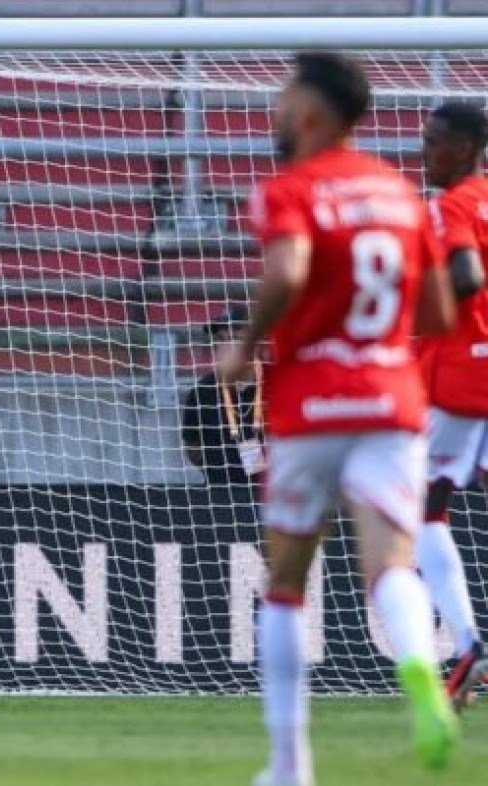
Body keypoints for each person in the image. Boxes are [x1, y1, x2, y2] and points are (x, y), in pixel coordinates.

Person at [217, 52, 458, 786]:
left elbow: (288, 271)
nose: (277, 110)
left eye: (286, 97)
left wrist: (246, 347)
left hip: (311, 402)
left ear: (314, 112)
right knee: (390, 565)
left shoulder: (291, 190)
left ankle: (290, 766)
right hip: (391, 401)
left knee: (286, 583)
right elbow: (439, 311)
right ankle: (422, 669)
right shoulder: (400, 194)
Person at [418, 101, 488, 709]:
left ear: (465, 149)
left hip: (464, 376)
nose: (424, 150)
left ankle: (468, 645)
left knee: (422, 510)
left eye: (435, 141)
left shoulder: (453, 205)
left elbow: (464, 277)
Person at [181, 304, 265, 489]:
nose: (228, 347)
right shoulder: (203, 391)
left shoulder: (278, 384)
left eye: (236, 339)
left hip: (273, 497)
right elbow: (193, 448)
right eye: (221, 339)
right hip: (221, 499)